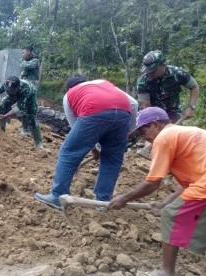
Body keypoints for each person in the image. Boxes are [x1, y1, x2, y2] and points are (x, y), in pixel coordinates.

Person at [109, 107, 206, 276]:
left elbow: (153, 183)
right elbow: (189, 184)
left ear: (155, 124)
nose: (143, 137)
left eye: (143, 130)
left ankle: (167, 272)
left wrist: (123, 199)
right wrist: (163, 202)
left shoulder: (163, 138)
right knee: (172, 209)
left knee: (170, 215)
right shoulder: (184, 133)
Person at [34, 76, 136, 209]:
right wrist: (129, 131)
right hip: (124, 114)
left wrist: (93, 148)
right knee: (112, 159)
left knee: (69, 152)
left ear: (69, 88)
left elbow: (75, 126)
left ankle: (58, 196)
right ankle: (102, 202)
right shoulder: (104, 83)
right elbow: (134, 104)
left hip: (94, 111)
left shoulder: (69, 95)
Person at [0, 76, 43, 149]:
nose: (9, 92)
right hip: (15, 94)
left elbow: (19, 107)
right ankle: (1, 135)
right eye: (8, 90)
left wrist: (6, 116)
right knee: (2, 106)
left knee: (31, 117)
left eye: (11, 90)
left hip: (30, 96)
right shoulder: (7, 84)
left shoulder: (26, 88)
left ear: (18, 87)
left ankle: (38, 143)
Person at [137, 50, 199, 123]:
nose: (150, 73)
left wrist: (191, 107)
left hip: (173, 113)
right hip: (152, 114)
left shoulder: (177, 73)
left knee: (177, 133)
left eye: (153, 70)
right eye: (148, 70)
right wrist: (155, 124)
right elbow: (146, 105)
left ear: (163, 65)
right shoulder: (142, 81)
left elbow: (194, 87)